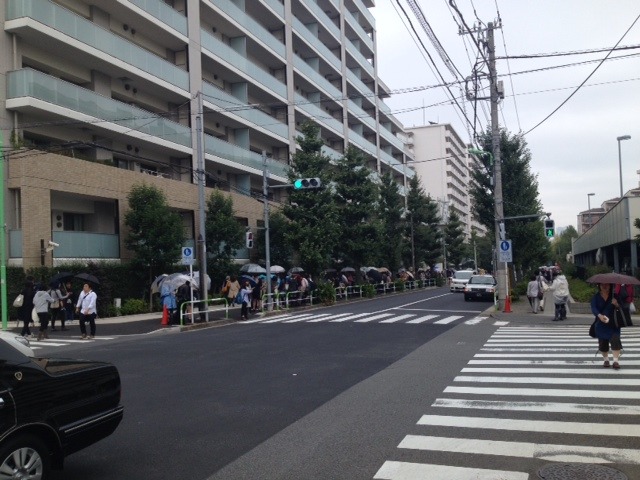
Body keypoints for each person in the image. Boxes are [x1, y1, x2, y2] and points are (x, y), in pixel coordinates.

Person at [591, 283, 622, 369]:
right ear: (599, 286)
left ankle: (615, 361)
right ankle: (606, 360)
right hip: (601, 323)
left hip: (613, 323)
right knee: (603, 342)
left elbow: (621, 307)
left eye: (607, 285)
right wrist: (599, 316)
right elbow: (593, 308)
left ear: (610, 286)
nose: (604, 286)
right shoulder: (596, 297)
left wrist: (616, 304)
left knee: (615, 339)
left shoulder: (615, 296)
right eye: (602, 285)